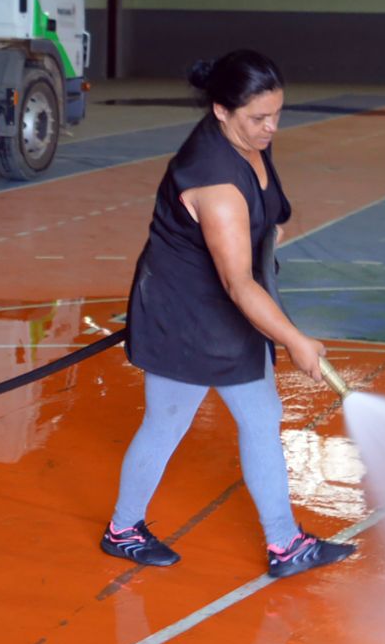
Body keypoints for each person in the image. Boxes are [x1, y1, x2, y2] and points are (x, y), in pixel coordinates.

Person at [101, 51, 356, 579]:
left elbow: (266, 218)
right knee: (168, 423)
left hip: (221, 307)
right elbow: (238, 283)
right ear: (221, 110)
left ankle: (284, 544)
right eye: (257, 118)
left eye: (277, 114)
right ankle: (124, 530)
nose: (270, 128)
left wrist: (266, 233)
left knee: (259, 417)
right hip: (186, 312)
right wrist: (295, 339)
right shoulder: (212, 179)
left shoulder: (249, 142)